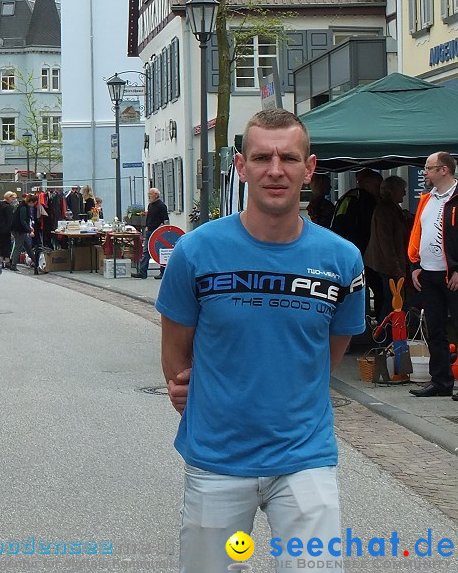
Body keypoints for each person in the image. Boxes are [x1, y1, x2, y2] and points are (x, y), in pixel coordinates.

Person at [157, 109, 365, 573]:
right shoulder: (196, 252)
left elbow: (329, 355)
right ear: (241, 165)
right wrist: (187, 385)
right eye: (262, 157)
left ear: (309, 168)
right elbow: (175, 348)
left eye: (289, 158)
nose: (275, 170)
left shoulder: (342, 260)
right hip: (218, 457)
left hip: (303, 456)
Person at [408, 152, 458, 398]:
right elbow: (418, 231)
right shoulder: (427, 199)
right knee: (435, 329)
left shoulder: (456, 198)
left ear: (444, 170)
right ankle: (440, 381)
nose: (424, 172)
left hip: (452, 273)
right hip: (429, 272)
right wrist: (414, 264)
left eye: (429, 168)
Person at [364, 175, 410, 325]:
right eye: (401, 189)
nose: (404, 192)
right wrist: (395, 268)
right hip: (385, 266)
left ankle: (389, 333)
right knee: (391, 301)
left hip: (389, 264)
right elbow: (386, 242)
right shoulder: (384, 210)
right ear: (392, 191)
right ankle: (385, 335)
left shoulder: (393, 208)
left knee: (391, 300)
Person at [134, 187, 169, 279]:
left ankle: (163, 272)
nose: (149, 196)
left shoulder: (161, 206)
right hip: (149, 230)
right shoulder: (150, 205)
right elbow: (149, 217)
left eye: (150, 194)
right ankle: (143, 272)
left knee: (160, 251)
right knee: (146, 251)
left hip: (158, 232)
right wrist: (146, 226)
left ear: (156, 195)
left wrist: (163, 230)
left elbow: (165, 220)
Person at [10, 194, 39, 273]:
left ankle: (36, 262)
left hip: (19, 229)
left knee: (27, 246)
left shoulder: (23, 206)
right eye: (34, 203)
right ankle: (13, 265)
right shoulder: (23, 207)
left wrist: (29, 228)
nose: (34, 205)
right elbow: (22, 220)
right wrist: (29, 230)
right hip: (19, 230)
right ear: (31, 202)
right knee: (19, 247)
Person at [0, 191, 17, 268]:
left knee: (0, 245)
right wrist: (11, 229)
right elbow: (10, 220)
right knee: (7, 245)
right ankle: (6, 261)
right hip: (6, 229)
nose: (14, 200)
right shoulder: (8, 207)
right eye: (13, 198)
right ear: (8, 197)